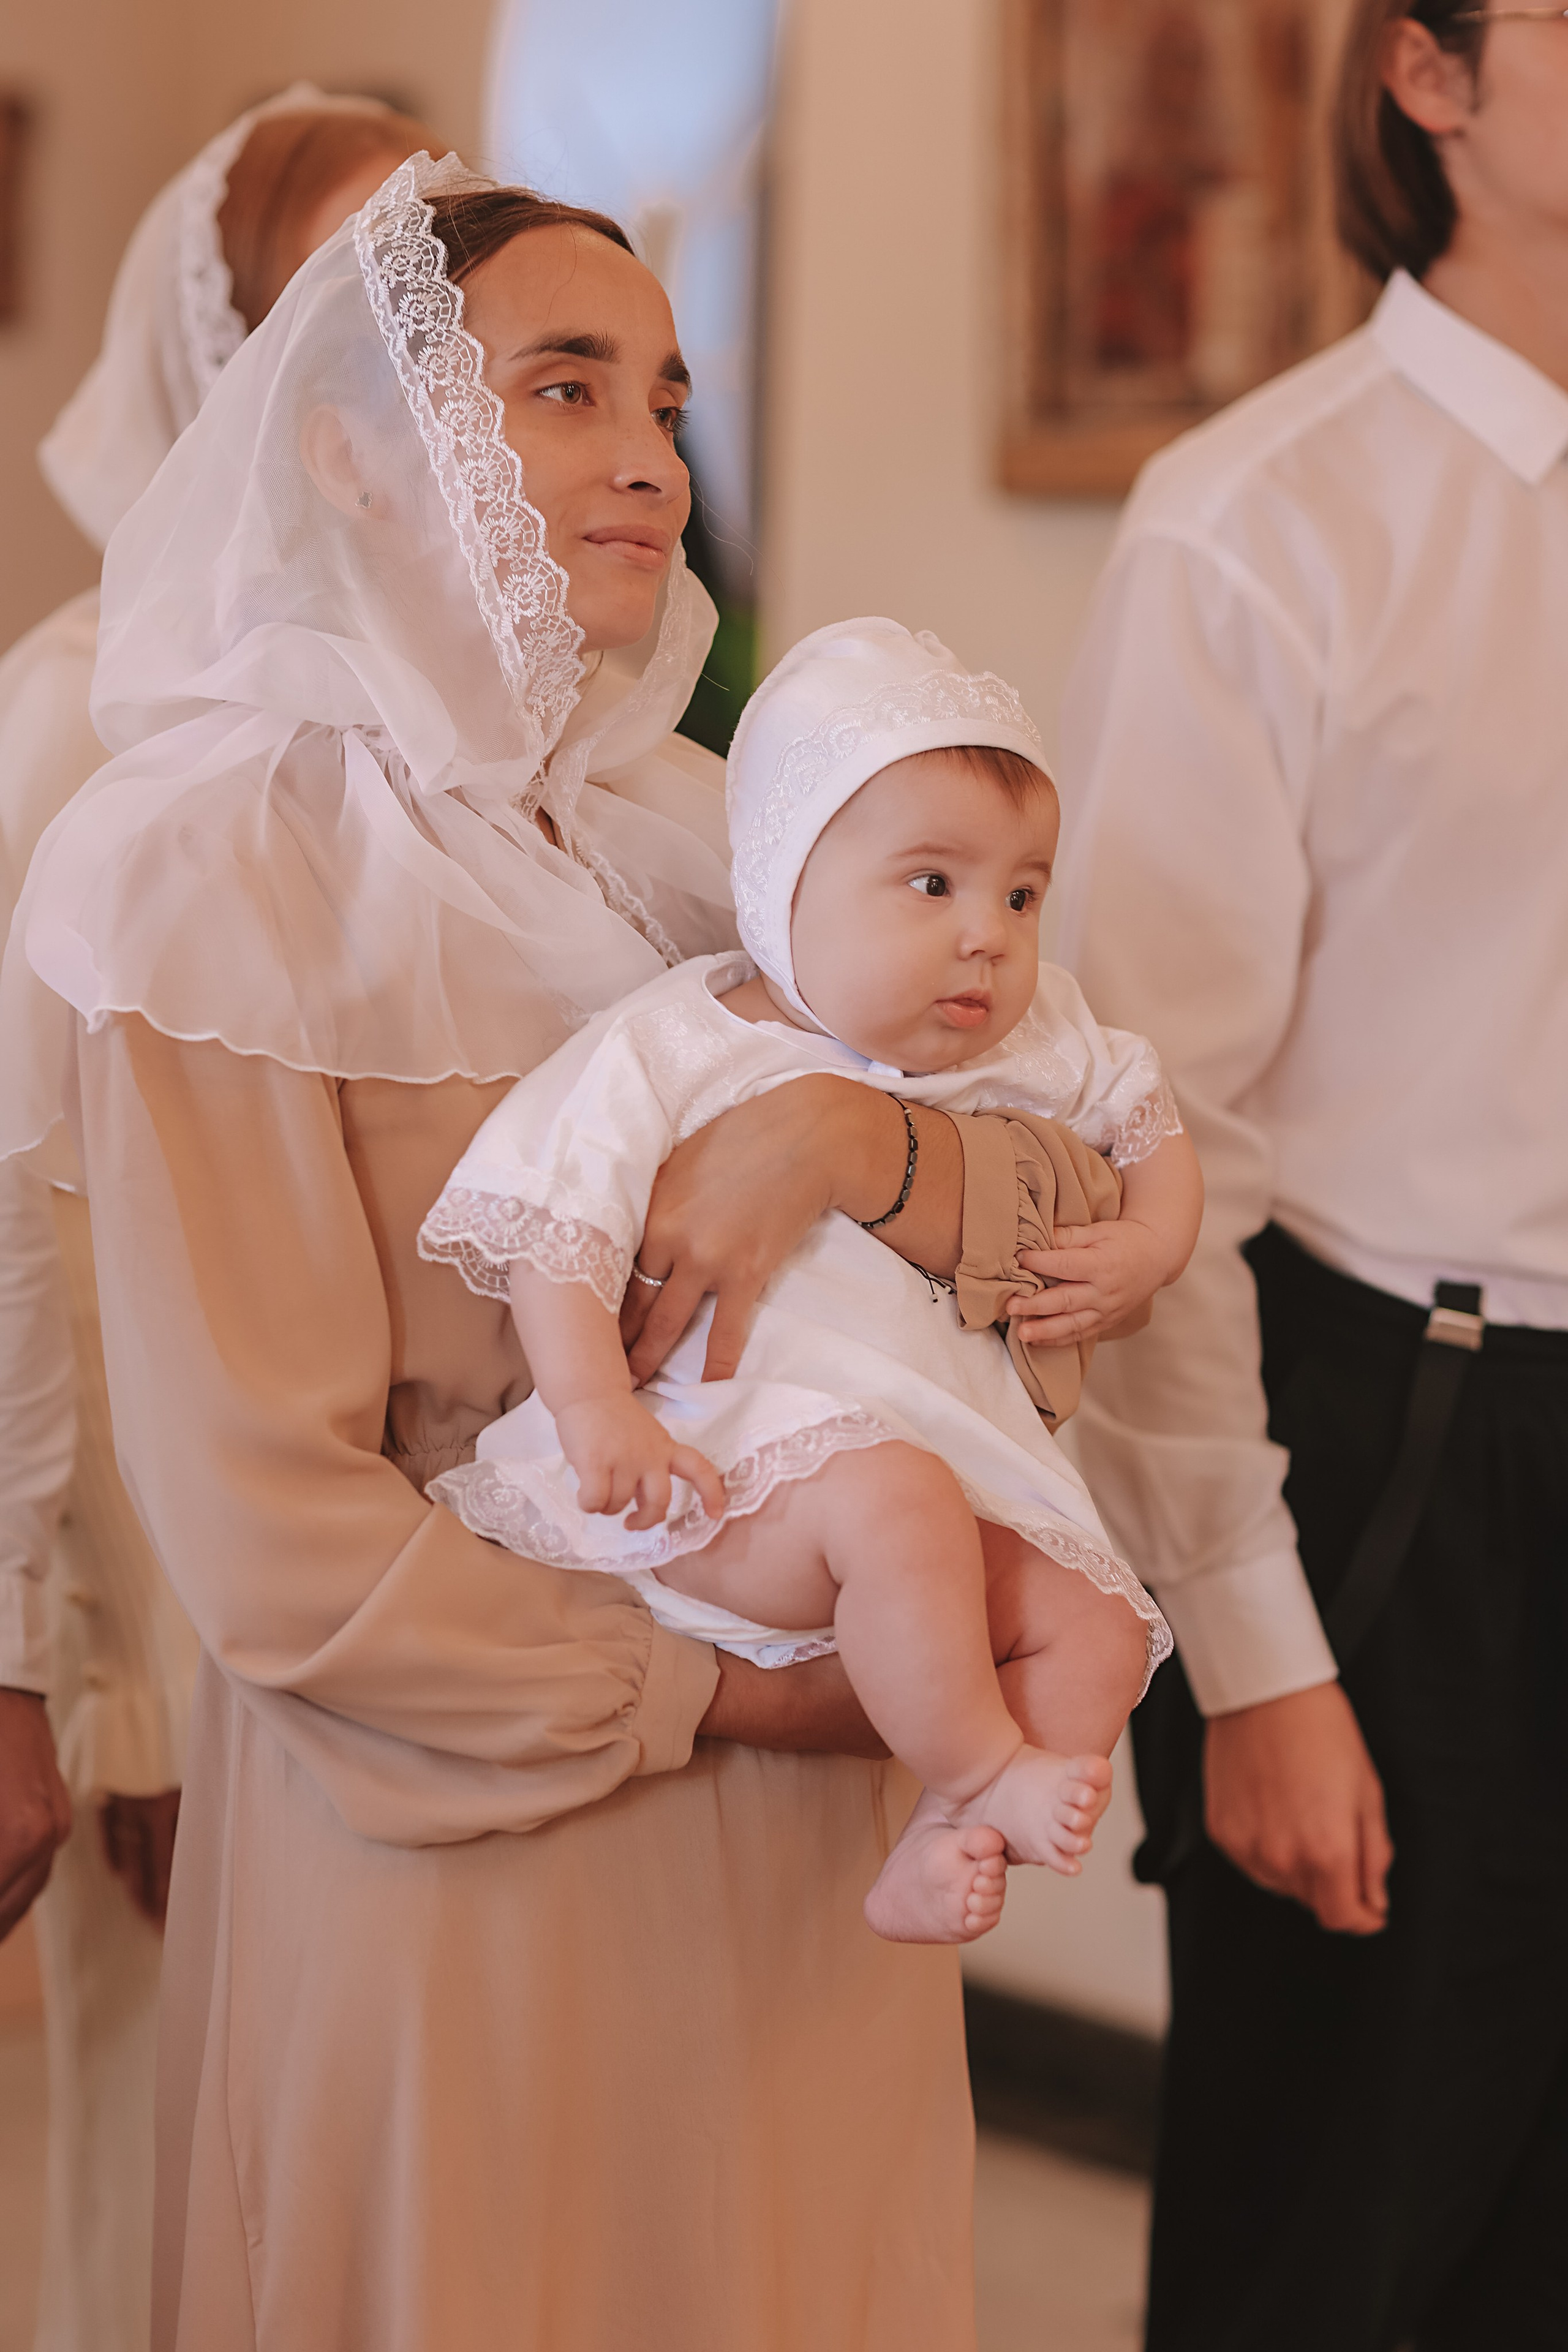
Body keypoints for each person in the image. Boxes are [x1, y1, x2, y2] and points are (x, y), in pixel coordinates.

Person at [0, 153, 1106, 2350]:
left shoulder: (738, 848)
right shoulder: (210, 871)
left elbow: (1071, 1213)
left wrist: (845, 1147)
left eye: (668, 401)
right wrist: (731, 1690)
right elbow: (272, 1528)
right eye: (564, 386)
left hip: (820, 1870)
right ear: (354, 438)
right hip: (478, 1825)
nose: (640, 457)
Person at [1055, 4, 1568, 2346]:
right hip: (1407, 1438)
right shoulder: (1261, 520)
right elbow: (1156, 1136)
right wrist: (1254, 1656)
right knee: (1347, 2250)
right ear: (1430, 84)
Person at [422, 617, 1194, 1945]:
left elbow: (1150, 1126)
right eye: (930, 884)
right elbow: (558, 1225)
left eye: (1020, 894)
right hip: (717, 1474)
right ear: (786, 885)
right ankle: (976, 1771)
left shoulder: (1034, 1033)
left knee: (1103, 1627)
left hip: (936, 1483)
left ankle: (943, 1842)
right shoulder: (682, 1042)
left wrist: (1147, 1246)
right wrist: (596, 1407)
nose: (987, 941)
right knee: (892, 1503)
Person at [0, 88, 437, 2352]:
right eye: (343, 279)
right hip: (157, 1563)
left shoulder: (460, 734)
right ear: (229, 342)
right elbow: (8, 1216)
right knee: (161, 2152)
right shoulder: (81, 719)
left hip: (409, 1531)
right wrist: (67, 1673)